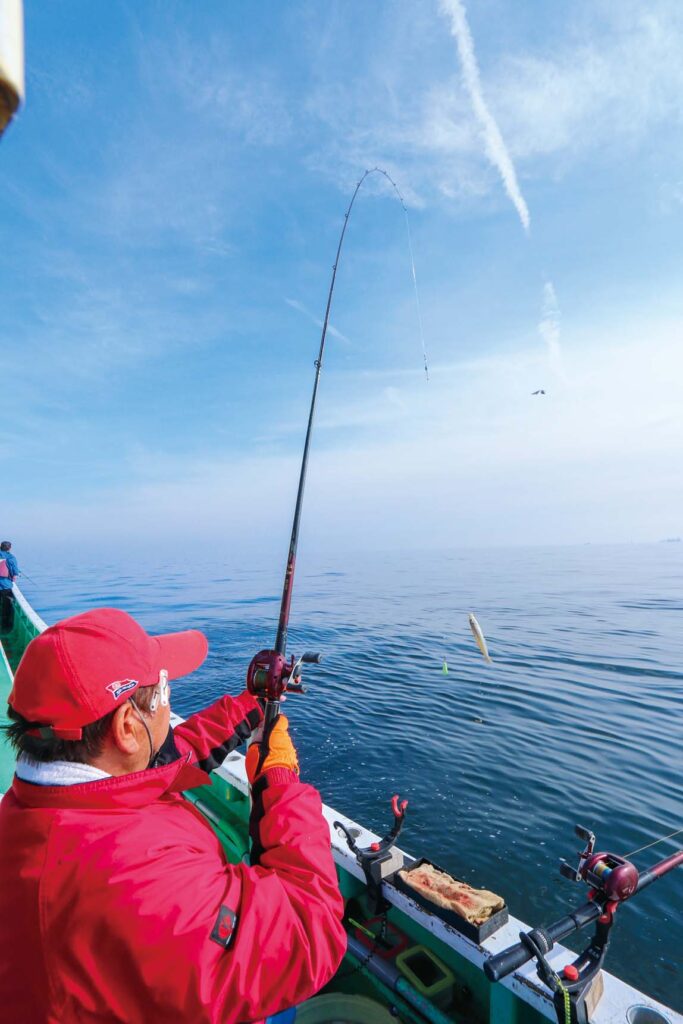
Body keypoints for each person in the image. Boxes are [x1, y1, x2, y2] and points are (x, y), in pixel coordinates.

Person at [0, 608, 346, 1024]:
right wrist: (281, 781)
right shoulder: (143, 881)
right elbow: (306, 930)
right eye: (164, 688)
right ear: (127, 727)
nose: (170, 697)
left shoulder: (45, 804)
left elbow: (154, 763)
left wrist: (249, 707)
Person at [0, 540, 19, 633]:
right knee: (7, 607)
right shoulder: (11, 557)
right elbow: (15, 574)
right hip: (6, 586)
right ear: (9, 548)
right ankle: (5, 626)